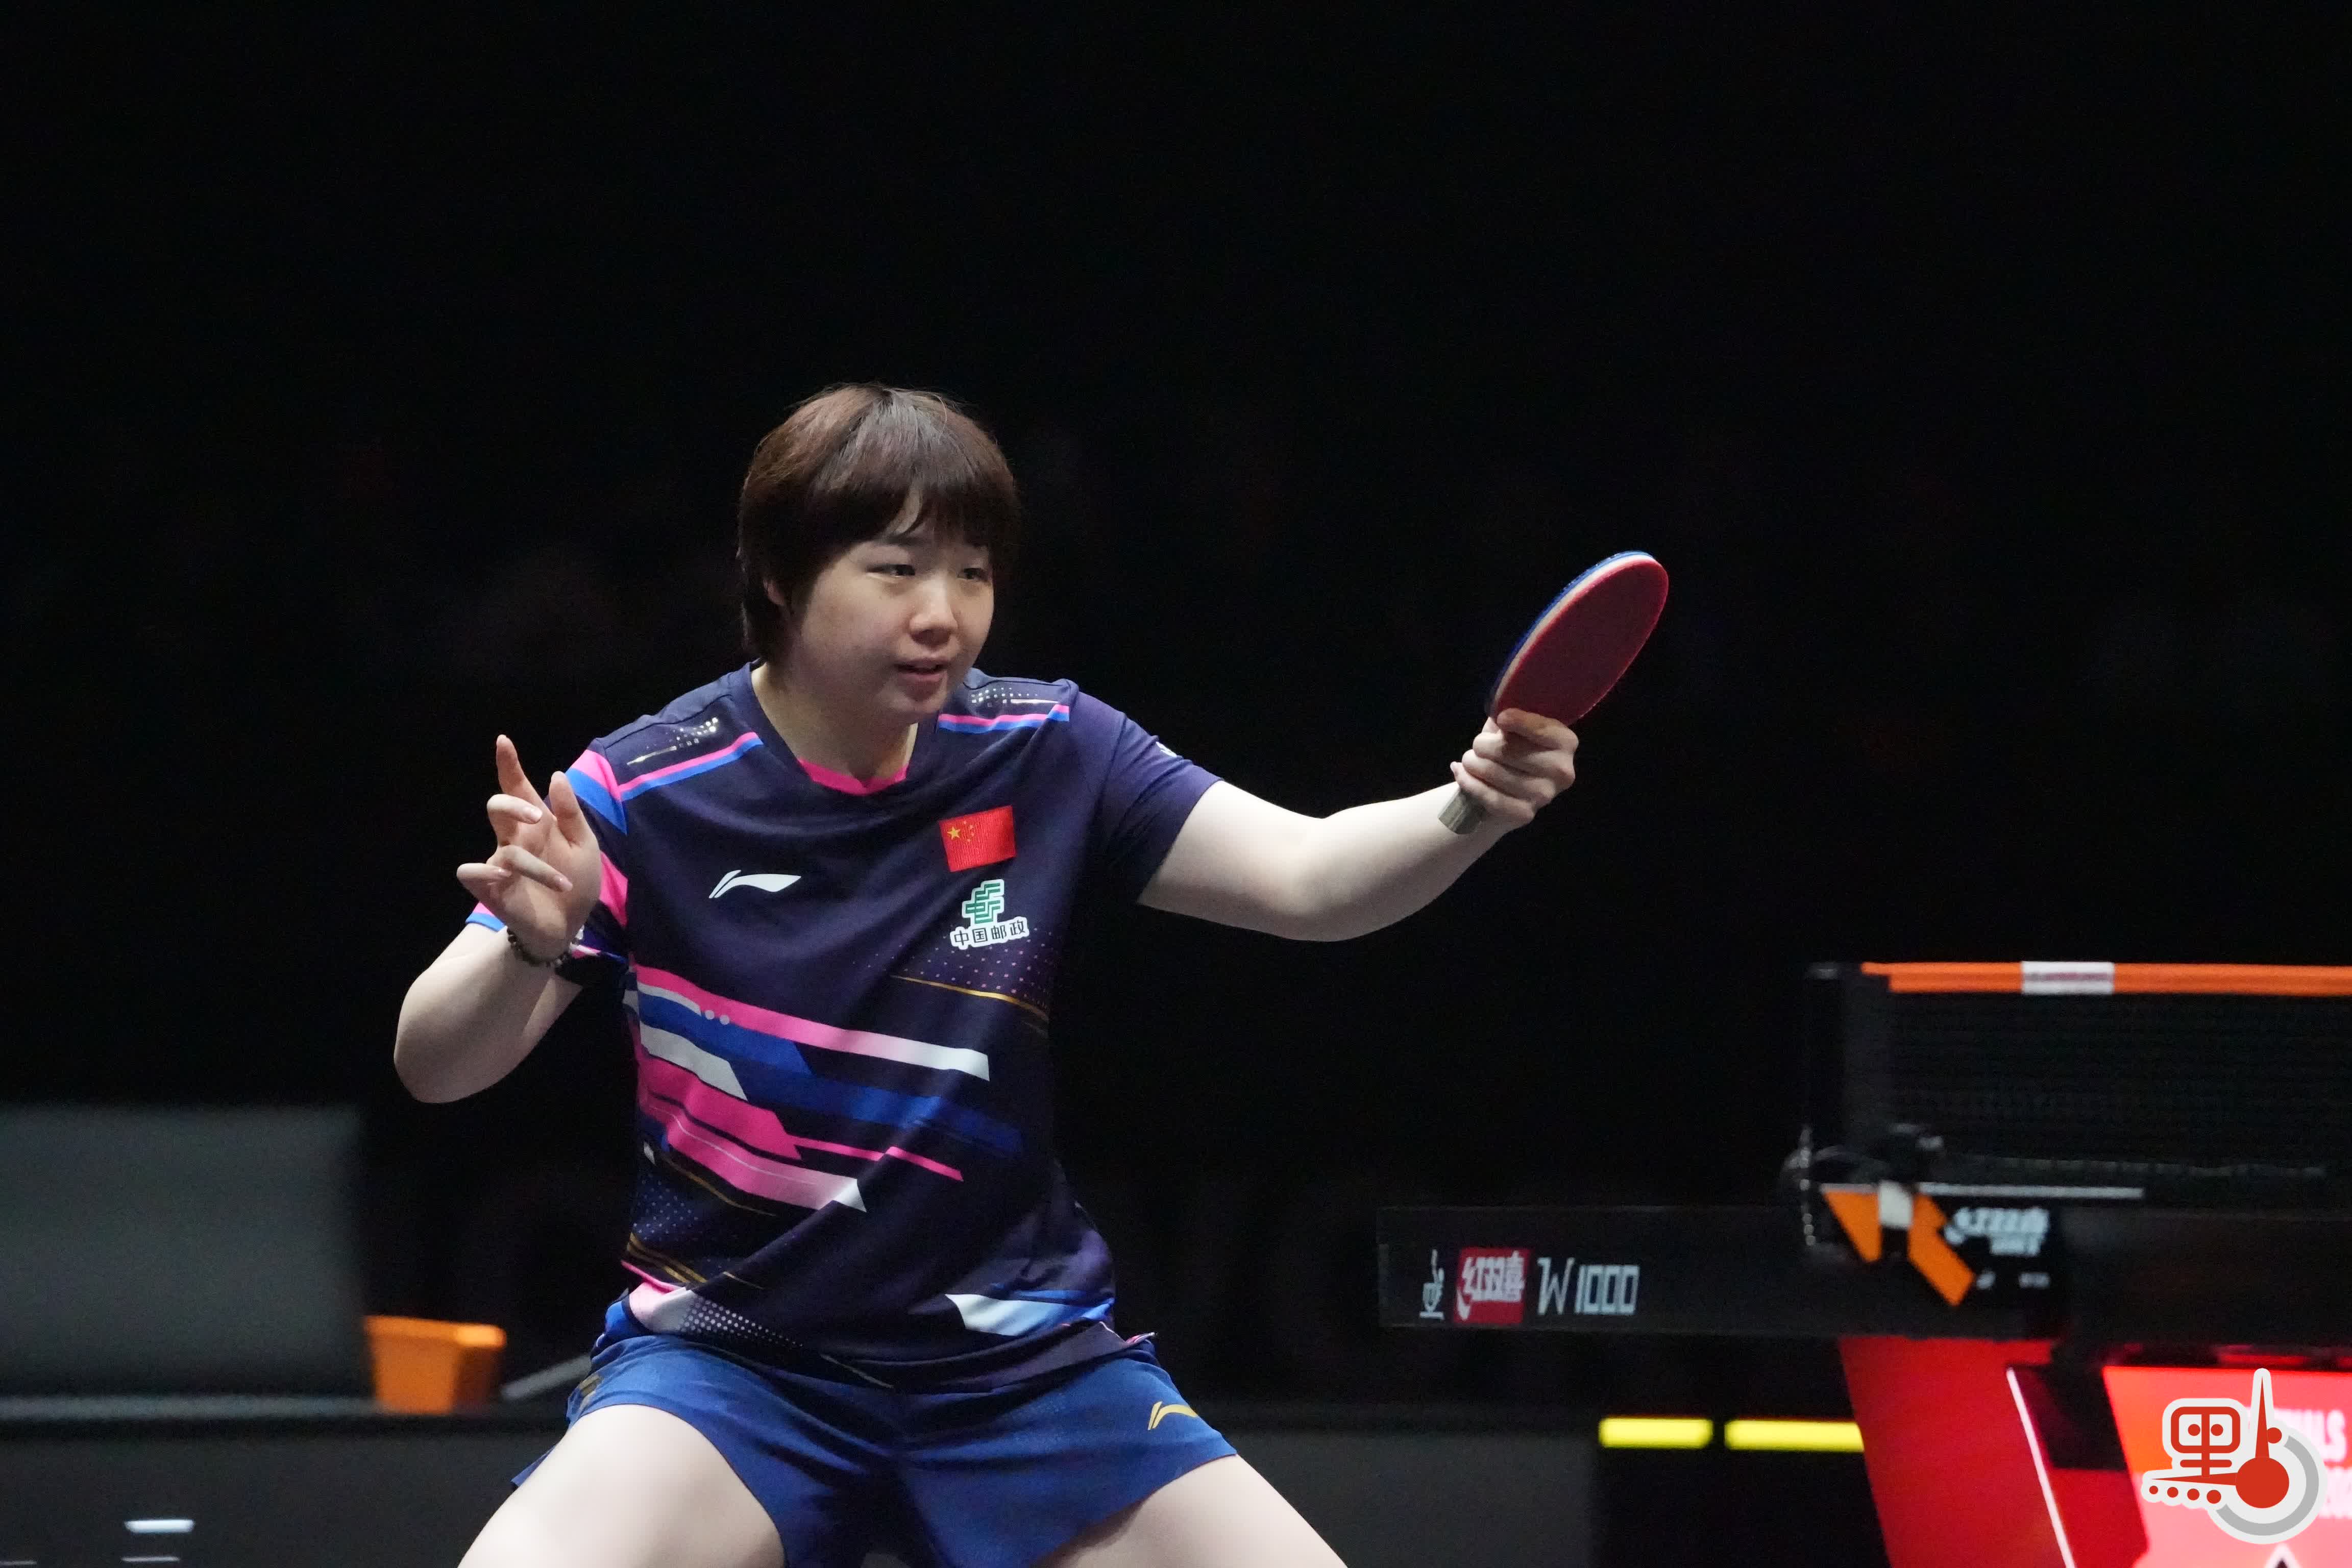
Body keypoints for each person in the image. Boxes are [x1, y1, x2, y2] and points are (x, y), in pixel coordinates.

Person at [395, 385, 1580, 1568]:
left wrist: (1470, 806)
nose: (943, 616)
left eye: (972, 573)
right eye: (896, 570)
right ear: (779, 577)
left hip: (1023, 1370)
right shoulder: (640, 792)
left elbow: (1312, 880)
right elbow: (434, 1064)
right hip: (737, 1363)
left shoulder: (1049, 749)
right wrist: (532, 942)